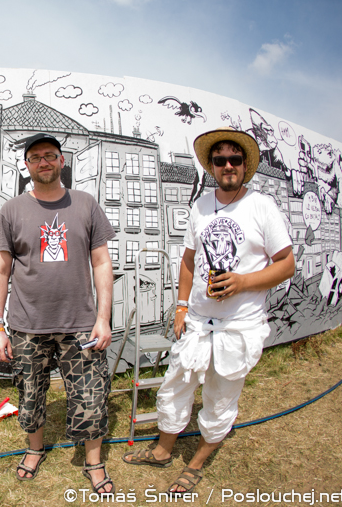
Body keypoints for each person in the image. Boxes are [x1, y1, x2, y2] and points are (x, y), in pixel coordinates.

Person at [123, 127, 294, 495]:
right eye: (220, 160)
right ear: (212, 166)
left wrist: (243, 282)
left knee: (220, 394)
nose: (227, 165)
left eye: (234, 159)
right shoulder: (200, 206)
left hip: (239, 325)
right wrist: (181, 307)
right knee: (175, 384)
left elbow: (286, 264)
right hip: (199, 320)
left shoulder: (262, 206)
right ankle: (163, 450)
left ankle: (196, 463)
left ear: (245, 165)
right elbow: (188, 261)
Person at [0, 133, 116, 494]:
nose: (43, 162)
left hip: (81, 325)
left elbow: (102, 262)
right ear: (27, 166)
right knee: (30, 393)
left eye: (50, 155)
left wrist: (103, 318)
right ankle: (34, 449)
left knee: (91, 393)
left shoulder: (86, 204)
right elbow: (0, 270)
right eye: (35, 157)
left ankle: (94, 461)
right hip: (27, 325)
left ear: (62, 161)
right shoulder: (12, 210)